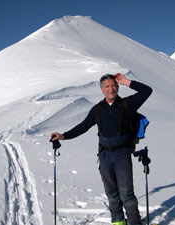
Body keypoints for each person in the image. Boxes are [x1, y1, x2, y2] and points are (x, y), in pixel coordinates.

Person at [51, 73, 152, 225]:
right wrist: (63, 136)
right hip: (104, 155)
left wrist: (126, 81)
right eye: (107, 86)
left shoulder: (128, 104)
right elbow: (83, 126)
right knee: (111, 194)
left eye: (113, 85)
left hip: (122, 155)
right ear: (102, 90)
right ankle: (118, 222)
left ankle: (135, 223)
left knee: (126, 194)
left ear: (118, 87)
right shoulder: (97, 110)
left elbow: (147, 91)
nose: (111, 89)